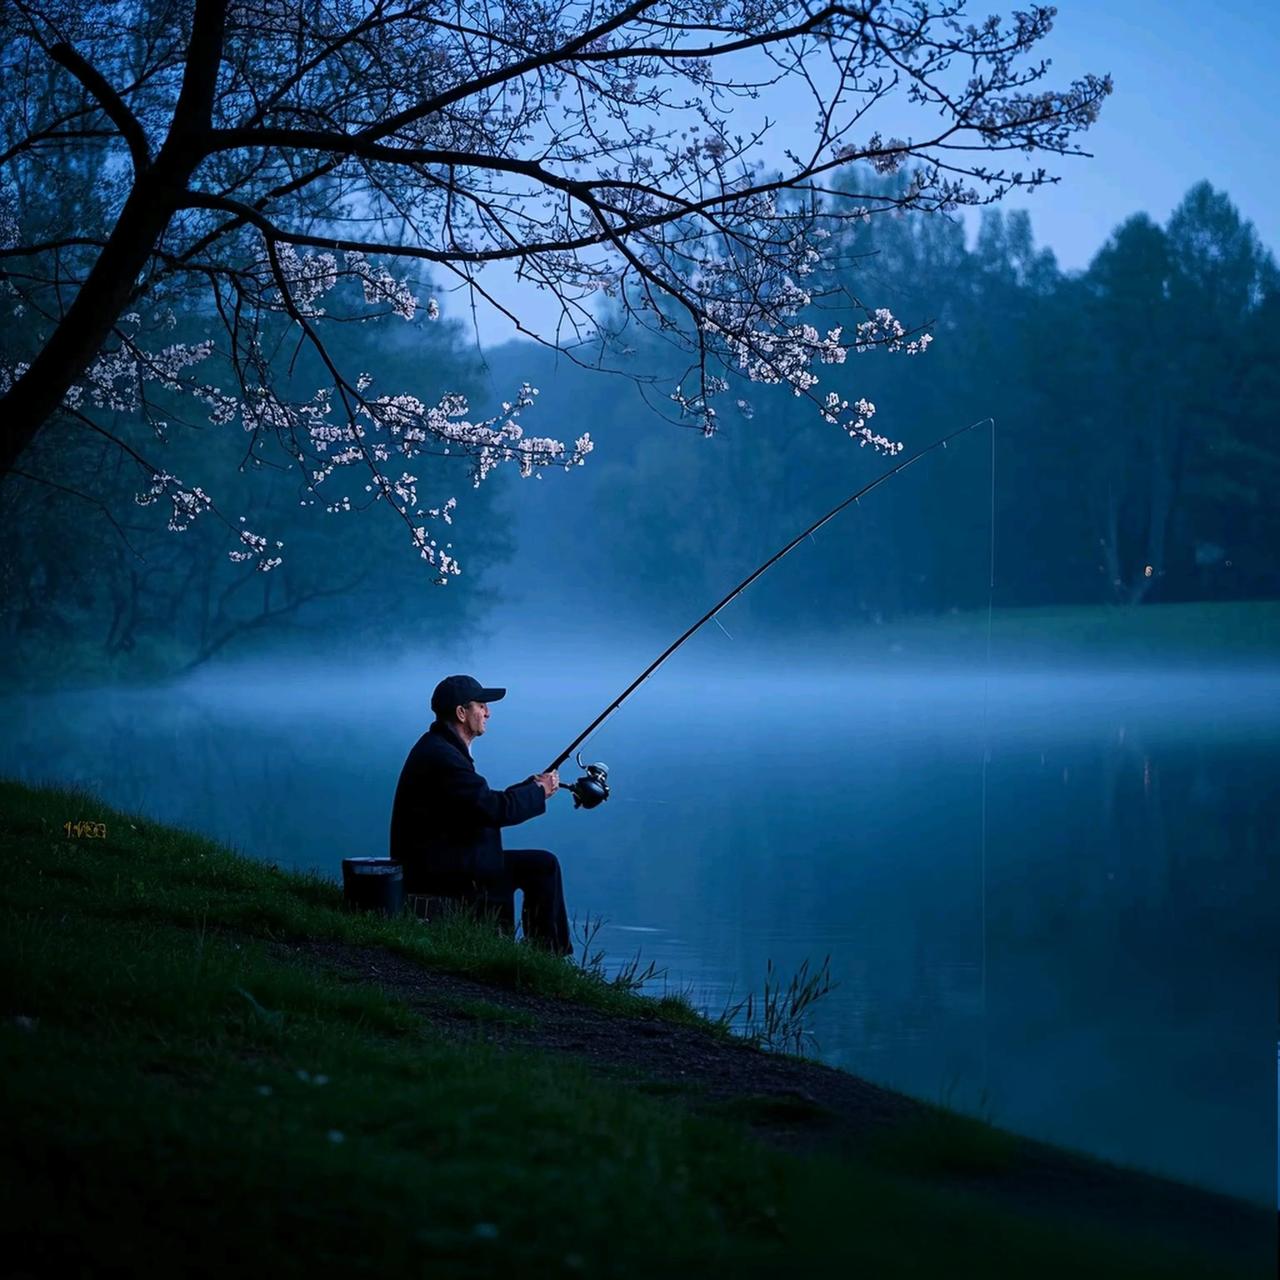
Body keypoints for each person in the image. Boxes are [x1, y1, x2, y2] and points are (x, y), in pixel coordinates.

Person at [389, 674, 573, 956]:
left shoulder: (441, 748)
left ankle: (545, 956)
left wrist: (531, 787)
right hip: (444, 875)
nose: (488, 712)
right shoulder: (444, 757)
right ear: (462, 713)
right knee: (543, 866)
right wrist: (537, 792)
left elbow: (476, 803)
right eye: (481, 705)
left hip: (450, 862)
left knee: (542, 865)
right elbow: (491, 809)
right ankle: (546, 958)